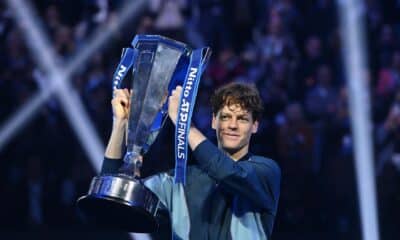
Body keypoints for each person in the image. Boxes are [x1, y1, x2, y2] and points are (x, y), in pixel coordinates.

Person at [101, 82, 281, 240]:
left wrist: (184, 123)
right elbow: (112, 203)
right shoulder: (179, 181)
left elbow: (227, 172)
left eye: (242, 119)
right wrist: (120, 124)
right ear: (213, 122)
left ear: (255, 126)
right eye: (225, 117)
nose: (232, 125)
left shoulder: (265, 171)